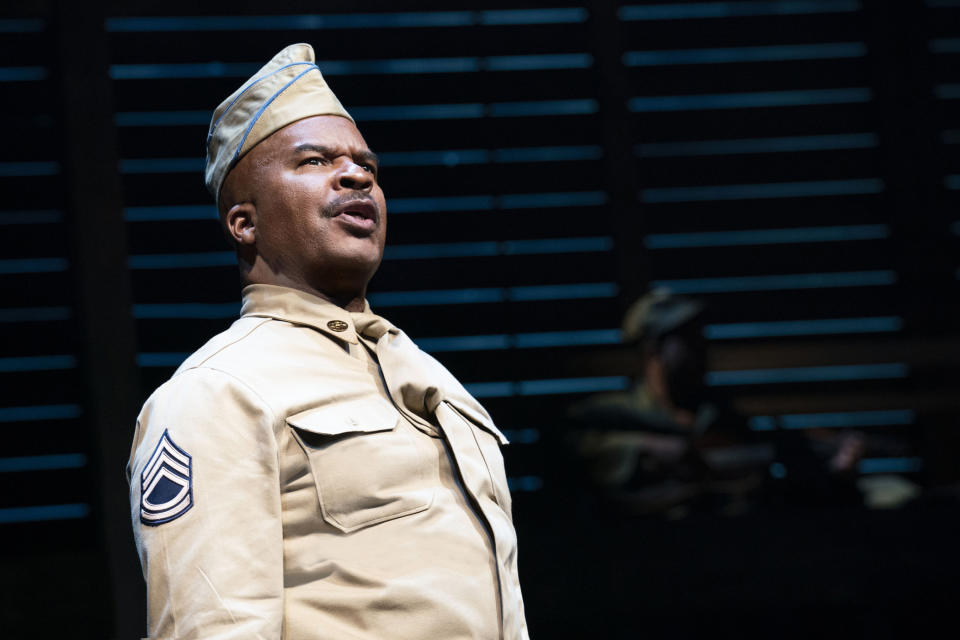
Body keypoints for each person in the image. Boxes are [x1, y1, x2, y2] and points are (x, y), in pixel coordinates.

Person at [126, 43, 528, 640]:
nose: (356, 174)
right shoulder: (217, 394)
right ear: (245, 222)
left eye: (367, 165)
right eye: (314, 160)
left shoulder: (424, 372)